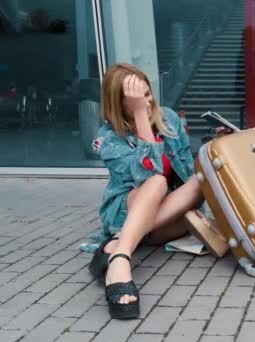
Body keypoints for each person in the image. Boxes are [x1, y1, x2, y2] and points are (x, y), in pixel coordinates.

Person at [86, 63, 210, 319]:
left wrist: (216, 146)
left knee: (200, 181)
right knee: (156, 182)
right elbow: (148, 173)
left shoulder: (169, 118)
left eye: (148, 93)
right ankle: (120, 260)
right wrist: (141, 115)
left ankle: (119, 243)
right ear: (120, 104)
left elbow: (187, 169)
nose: (148, 101)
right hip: (126, 210)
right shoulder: (107, 139)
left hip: (166, 210)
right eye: (138, 98)